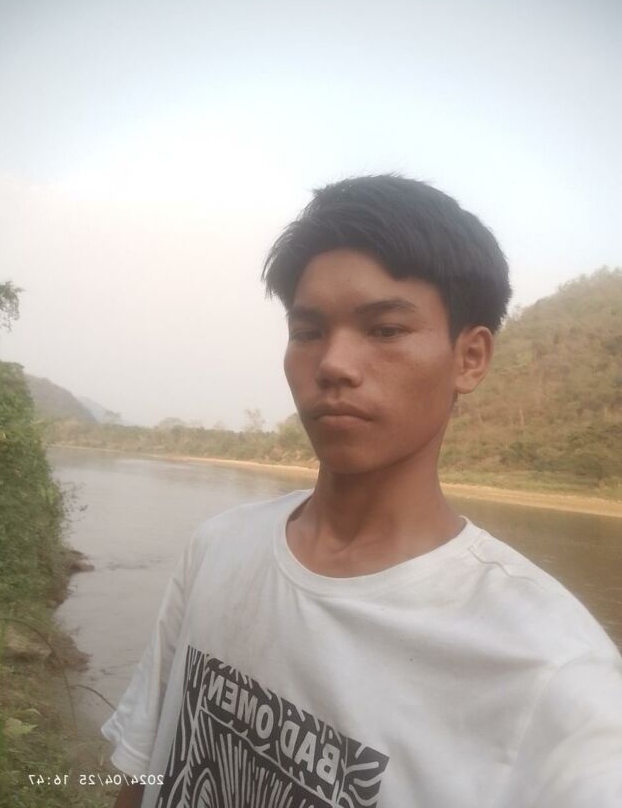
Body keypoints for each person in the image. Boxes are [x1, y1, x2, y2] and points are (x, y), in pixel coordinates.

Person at [105, 174, 622, 808]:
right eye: (308, 332)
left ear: (470, 358)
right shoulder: (217, 549)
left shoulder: (555, 676)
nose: (333, 364)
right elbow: (143, 768)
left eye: (385, 330)